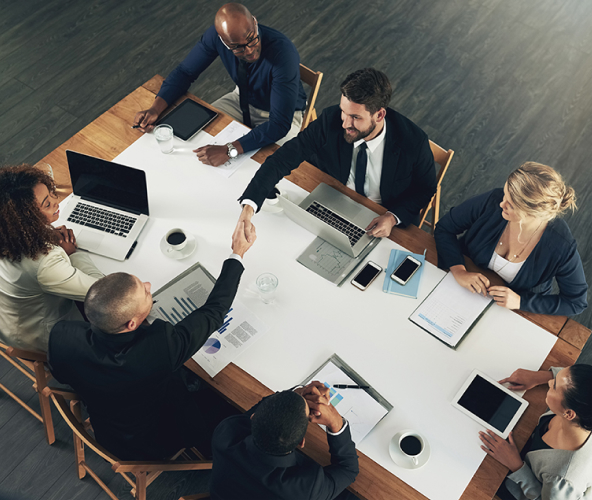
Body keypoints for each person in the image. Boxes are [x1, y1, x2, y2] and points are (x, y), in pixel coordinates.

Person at [47, 220, 256, 460]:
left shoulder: (61, 336)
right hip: (154, 442)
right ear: (131, 324)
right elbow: (213, 312)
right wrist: (237, 253)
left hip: (107, 430)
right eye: (145, 292)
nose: (148, 286)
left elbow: (62, 374)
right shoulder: (159, 348)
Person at [237, 67, 437, 239]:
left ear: (379, 115)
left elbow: (425, 189)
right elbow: (284, 158)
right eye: (344, 111)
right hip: (331, 198)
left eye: (355, 117)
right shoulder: (331, 120)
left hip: (381, 216)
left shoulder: (414, 142)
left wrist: (393, 217)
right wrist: (249, 206)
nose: (345, 123)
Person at [133, 3, 307, 166]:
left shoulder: (284, 54)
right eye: (237, 47)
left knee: (271, 167)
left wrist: (230, 150)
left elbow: (279, 124)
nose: (249, 51)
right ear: (223, 42)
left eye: (252, 39)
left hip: (283, 115)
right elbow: (185, 72)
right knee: (195, 138)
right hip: (241, 99)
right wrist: (155, 108)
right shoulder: (214, 37)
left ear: (255, 22)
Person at [434, 162, 587, 316]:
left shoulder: (562, 247)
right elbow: (445, 228)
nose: (501, 203)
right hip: (461, 288)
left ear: (533, 214)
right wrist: (459, 271)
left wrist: (521, 302)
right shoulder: (494, 201)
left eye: (511, 205)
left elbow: (576, 302)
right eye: (505, 194)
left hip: (512, 312)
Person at [0, 165, 103, 352]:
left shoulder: (9, 233)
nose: (57, 202)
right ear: (26, 220)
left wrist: (48, 235)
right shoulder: (45, 263)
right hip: (42, 337)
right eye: (47, 204)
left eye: (52, 194)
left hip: (9, 320)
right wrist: (73, 255)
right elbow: (104, 292)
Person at [209, 381, 359, 500]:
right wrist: (335, 422)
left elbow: (261, 410)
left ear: (253, 418)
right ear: (301, 442)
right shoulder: (307, 489)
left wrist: (297, 394)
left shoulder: (226, 434)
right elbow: (348, 469)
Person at [479, 365, 592, 500]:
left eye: (554, 386)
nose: (550, 382)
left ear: (568, 414)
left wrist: (516, 466)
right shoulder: (582, 412)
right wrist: (542, 377)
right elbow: (578, 381)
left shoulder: (562, 479)